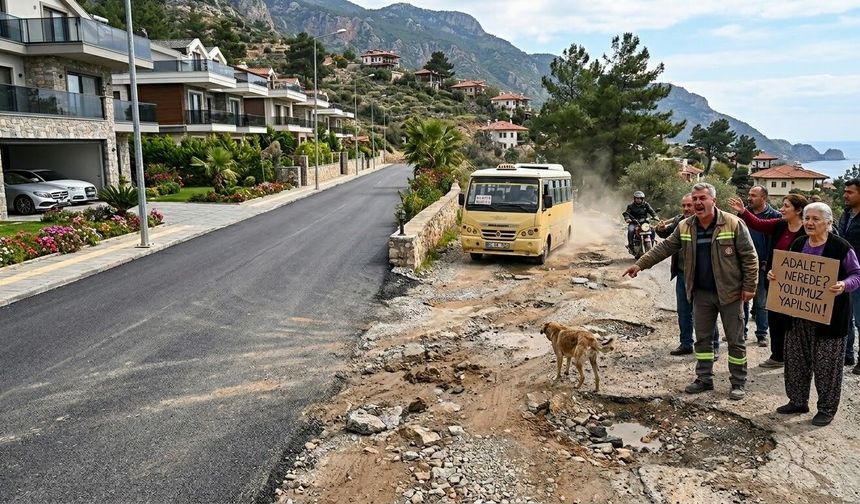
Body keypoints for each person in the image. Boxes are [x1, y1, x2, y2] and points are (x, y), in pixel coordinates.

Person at [624, 183, 758, 400]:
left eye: (702, 198)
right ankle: (704, 379)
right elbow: (665, 247)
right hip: (700, 293)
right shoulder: (685, 226)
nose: (697, 203)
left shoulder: (733, 223)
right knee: (703, 340)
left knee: (735, 341)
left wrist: (750, 287)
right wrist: (640, 264)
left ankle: (738, 382)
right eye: (695, 199)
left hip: (730, 293)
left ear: (713, 201)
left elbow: (749, 257)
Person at [772, 202, 860, 426]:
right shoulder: (798, 243)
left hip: (830, 318)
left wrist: (843, 285)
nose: (809, 223)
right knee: (796, 360)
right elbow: (788, 271)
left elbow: (856, 275)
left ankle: (826, 409)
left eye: (815, 219)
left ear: (828, 223)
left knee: (827, 366)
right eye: (807, 218)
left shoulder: (841, 247)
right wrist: (776, 274)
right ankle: (797, 401)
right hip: (798, 316)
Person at [727, 193, 807, 369]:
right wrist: (743, 211)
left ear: (798, 210)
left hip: (799, 290)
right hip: (776, 283)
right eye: (782, 205)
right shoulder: (780, 224)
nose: (781, 209)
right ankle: (778, 357)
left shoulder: (808, 230)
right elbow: (758, 224)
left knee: (796, 324)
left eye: (786, 206)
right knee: (776, 321)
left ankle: (798, 359)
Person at [656, 194, 721, 357]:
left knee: (705, 313)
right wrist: (660, 230)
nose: (686, 209)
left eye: (689, 205)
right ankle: (686, 344)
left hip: (702, 276)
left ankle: (713, 346)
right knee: (683, 311)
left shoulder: (709, 222)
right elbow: (667, 239)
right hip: (682, 274)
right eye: (683, 205)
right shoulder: (679, 221)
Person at [741, 186, 781, 346]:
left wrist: (769, 262)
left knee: (761, 302)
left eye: (753, 195)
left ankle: (762, 334)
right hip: (743, 265)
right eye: (749, 195)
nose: (749, 198)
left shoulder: (775, 216)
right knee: (742, 300)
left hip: (763, 266)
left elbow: (775, 242)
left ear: (764, 198)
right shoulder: (742, 214)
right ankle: (741, 332)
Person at [837, 178, 860, 374]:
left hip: (858, 274)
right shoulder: (845, 214)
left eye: (850, 192)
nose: (845, 195)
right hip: (844, 274)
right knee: (847, 317)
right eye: (845, 191)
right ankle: (847, 354)